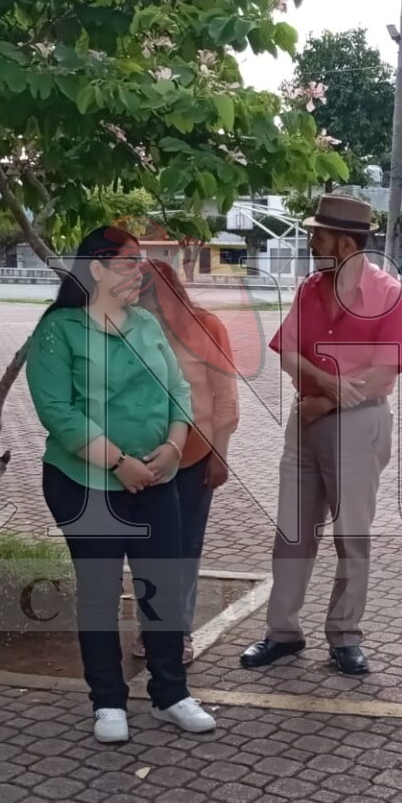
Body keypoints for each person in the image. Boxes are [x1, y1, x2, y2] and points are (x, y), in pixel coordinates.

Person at [27, 227, 216, 744]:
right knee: (99, 593)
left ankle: (171, 693)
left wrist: (175, 447)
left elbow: (178, 390)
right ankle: (108, 700)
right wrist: (118, 464)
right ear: (96, 268)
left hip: (159, 479)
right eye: (130, 261)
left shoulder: (148, 324)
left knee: (163, 588)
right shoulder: (58, 330)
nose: (141, 270)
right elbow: (58, 413)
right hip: (85, 484)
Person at [240, 195, 402, 676]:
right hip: (308, 421)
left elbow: (384, 375)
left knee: (350, 535)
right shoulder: (310, 288)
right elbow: (288, 353)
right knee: (292, 531)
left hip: (359, 422)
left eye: (318, 233)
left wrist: (327, 400)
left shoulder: (389, 294)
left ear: (343, 241)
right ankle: (282, 632)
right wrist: (327, 386)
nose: (312, 239)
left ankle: (344, 635)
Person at [132, 258, 240, 664]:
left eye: (149, 291)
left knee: (183, 548)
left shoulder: (206, 326)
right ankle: (150, 630)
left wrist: (219, 455)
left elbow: (224, 396)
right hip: (139, 461)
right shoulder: (124, 329)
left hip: (195, 456)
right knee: (146, 548)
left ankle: (177, 634)